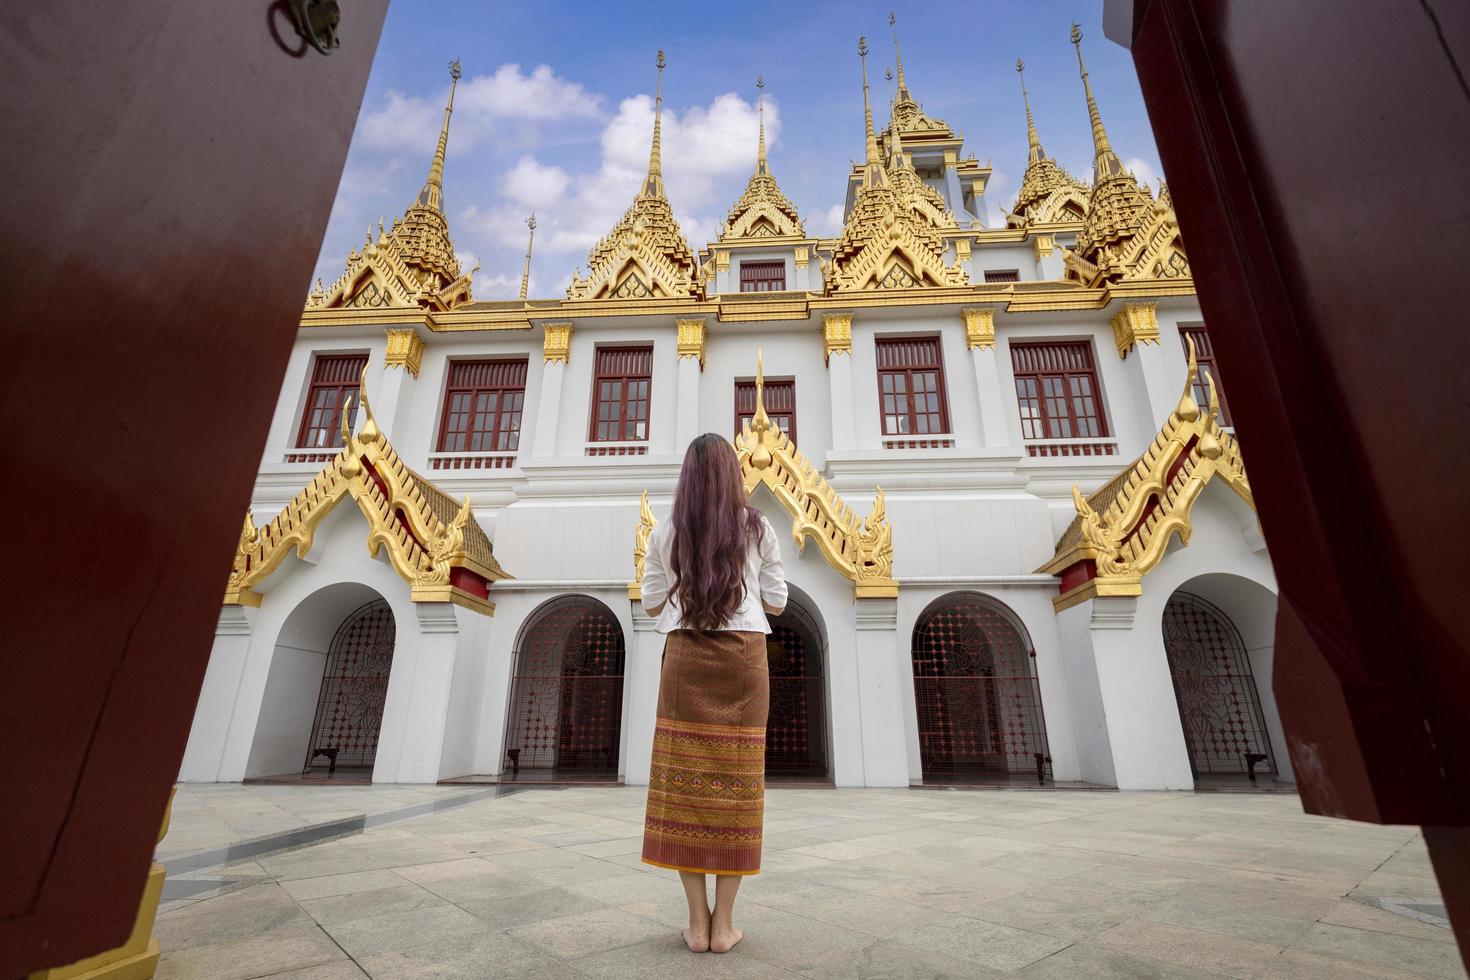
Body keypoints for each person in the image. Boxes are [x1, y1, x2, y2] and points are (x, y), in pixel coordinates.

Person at [640, 433, 786, 954]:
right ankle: (725, 925)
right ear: (732, 475)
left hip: (685, 657)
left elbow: (653, 604)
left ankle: (696, 923)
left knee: (684, 790)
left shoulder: (666, 529)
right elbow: (777, 600)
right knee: (737, 788)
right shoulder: (759, 527)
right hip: (745, 658)